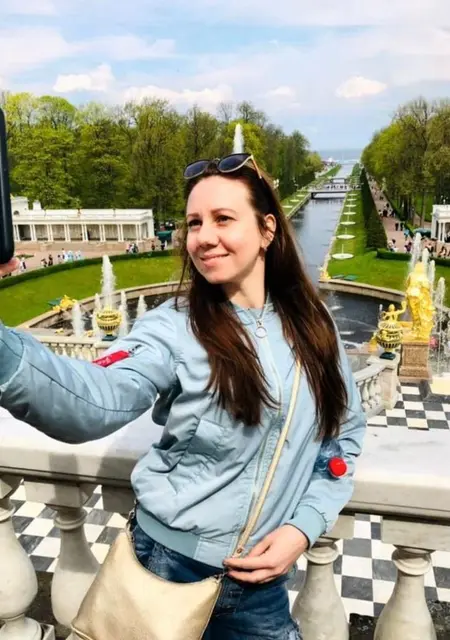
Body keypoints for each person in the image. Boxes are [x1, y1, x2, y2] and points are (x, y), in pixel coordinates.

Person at [0, 154, 366, 639]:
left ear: (267, 230)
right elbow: (94, 401)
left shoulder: (313, 326)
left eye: (223, 218)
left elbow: (342, 438)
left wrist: (303, 527)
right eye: (194, 223)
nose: (203, 237)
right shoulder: (172, 327)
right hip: (165, 570)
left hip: (260, 588)